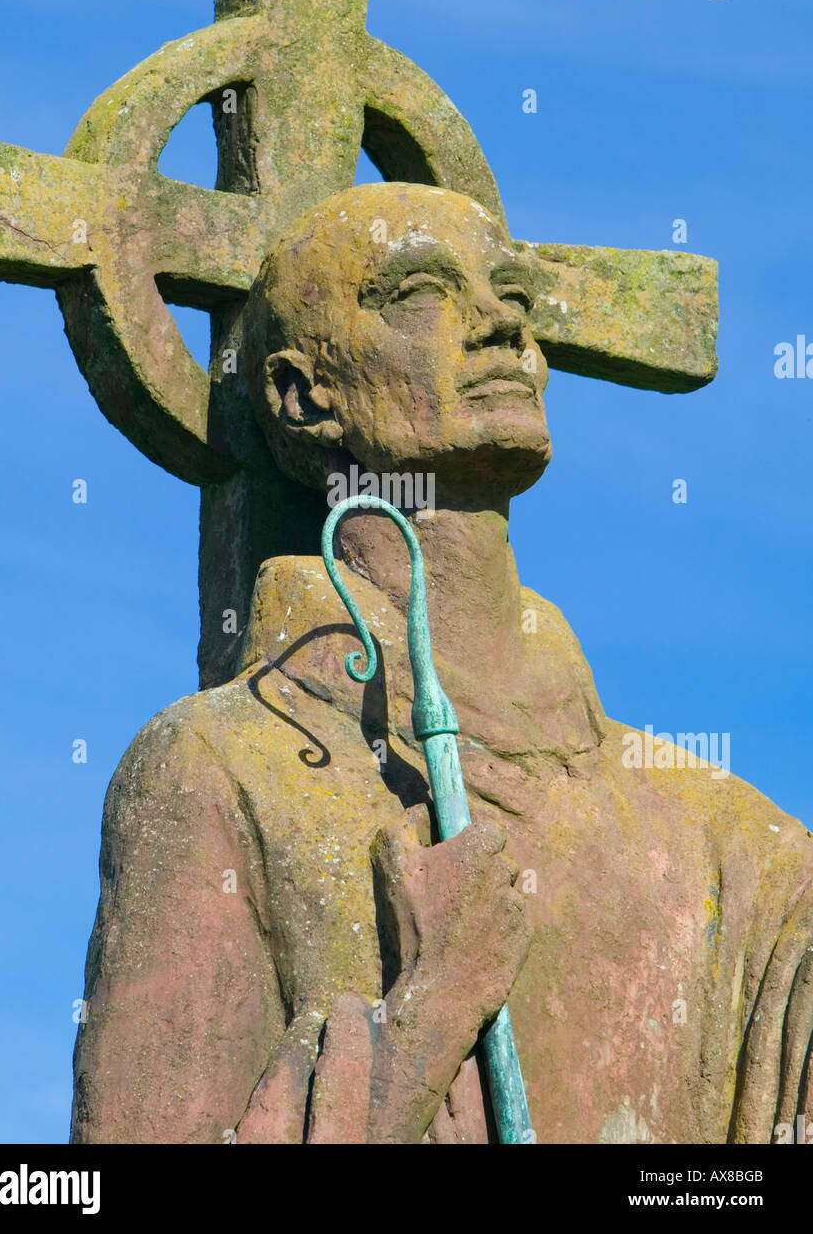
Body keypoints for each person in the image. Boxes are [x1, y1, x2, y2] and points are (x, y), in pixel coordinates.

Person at [71, 184, 813, 1144]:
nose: (503, 325)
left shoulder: (743, 853)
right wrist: (422, 1026)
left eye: (513, 296)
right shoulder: (214, 772)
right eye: (422, 293)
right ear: (302, 397)